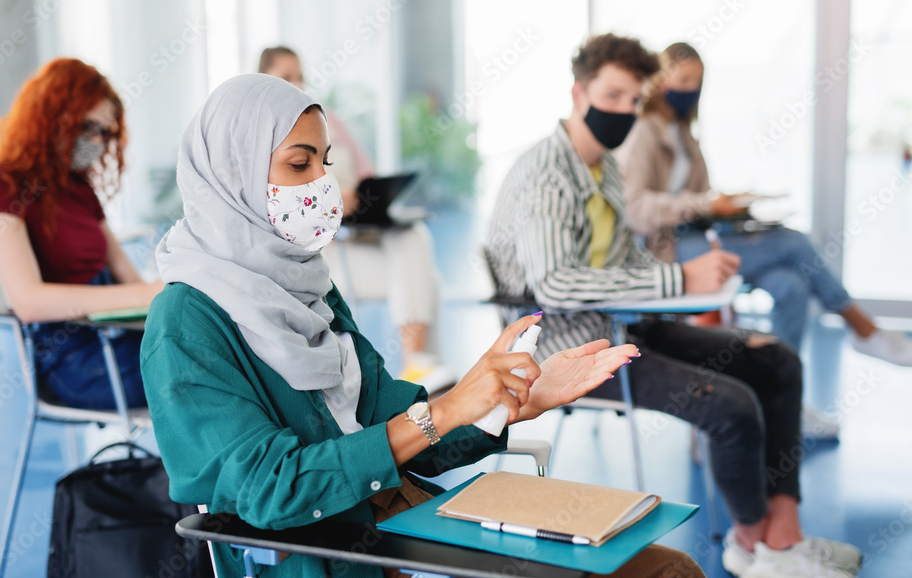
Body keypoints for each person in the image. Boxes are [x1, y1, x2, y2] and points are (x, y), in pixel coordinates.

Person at [140, 74, 703, 578]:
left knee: (670, 568)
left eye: (325, 163)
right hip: (324, 557)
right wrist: (445, 410)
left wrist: (506, 401)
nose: (322, 184)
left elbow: (403, 427)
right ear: (232, 172)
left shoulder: (310, 286)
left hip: (399, 528)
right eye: (298, 163)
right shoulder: (186, 322)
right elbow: (271, 487)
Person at [485, 34, 862, 578]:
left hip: (624, 326)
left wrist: (690, 281)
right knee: (730, 406)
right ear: (578, 92)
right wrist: (680, 276)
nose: (624, 110)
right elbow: (557, 286)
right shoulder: (547, 174)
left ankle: (784, 539)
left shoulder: (605, 167)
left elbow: (625, 265)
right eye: (612, 95)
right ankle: (751, 548)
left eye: (635, 100)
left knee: (776, 360)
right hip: (574, 352)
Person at [617, 41, 912, 368]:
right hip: (669, 250)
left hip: (702, 237)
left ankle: (785, 392)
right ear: (660, 81)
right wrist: (708, 203)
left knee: (791, 286)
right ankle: (865, 330)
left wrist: (732, 206)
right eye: (683, 80)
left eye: (696, 83)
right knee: (794, 242)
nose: (690, 89)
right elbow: (635, 208)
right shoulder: (642, 132)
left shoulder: (684, 134)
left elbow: (700, 198)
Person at [259, 46, 455, 393]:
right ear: (264, 81)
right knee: (429, 282)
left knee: (415, 240)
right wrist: (332, 200)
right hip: (325, 254)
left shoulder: (327, 121)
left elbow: (368, 175)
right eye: (286, 76)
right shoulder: (265, 139)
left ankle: (418, 366)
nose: (297, 83)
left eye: (299, 75)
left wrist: (368, 198)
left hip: (360, 235)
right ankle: (425, 380)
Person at [0, 58, 163, 409]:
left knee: (228, 353)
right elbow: (28, 301)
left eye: (105, 133)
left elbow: (129, 282)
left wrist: (170, 303)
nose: (97, 142)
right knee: (212, 374)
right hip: (71, 359)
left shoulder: (79, 187)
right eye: (88, 126)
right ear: (49, 114)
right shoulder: (0, 184)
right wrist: (150, 294)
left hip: (116, 336)